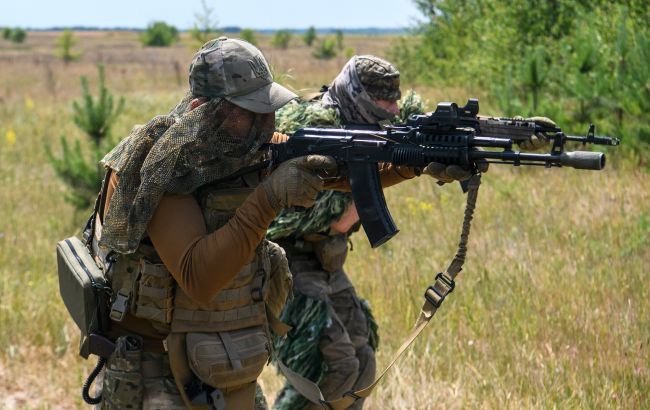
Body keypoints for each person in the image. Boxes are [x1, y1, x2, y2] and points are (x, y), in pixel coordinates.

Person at [92, 37, 340, 409]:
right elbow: (200, 277)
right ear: (202, 111)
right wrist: (270, 198)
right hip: (155, 372)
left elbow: (340, 170)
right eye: (250, 113)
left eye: (267, 109)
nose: (266, 124)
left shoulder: (241, 145)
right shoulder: (161, 164)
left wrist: (407, 160)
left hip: (225, 360)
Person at [267, 55, 466, 410]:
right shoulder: (316, 127)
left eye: (395, 99)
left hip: (327, 260)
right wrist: (393, 172)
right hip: (286, 260)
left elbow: (426, 126)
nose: (392, 108)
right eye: (383, 101)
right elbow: (322, 217)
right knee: (332, 366)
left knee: (363, 358)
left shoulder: (375, 120)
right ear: (358, 96)